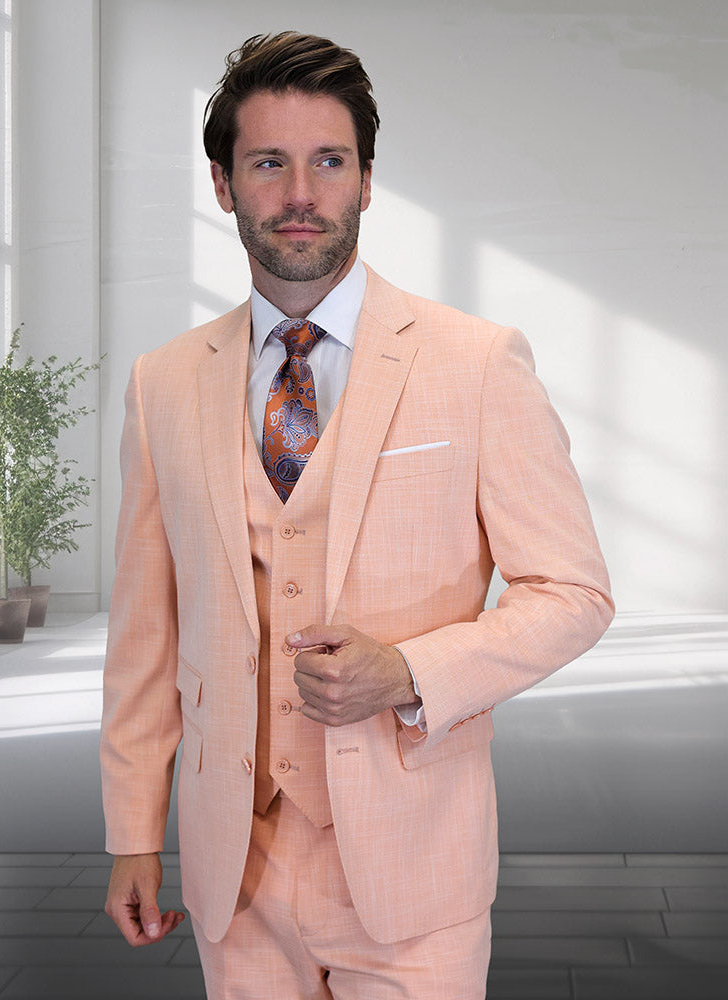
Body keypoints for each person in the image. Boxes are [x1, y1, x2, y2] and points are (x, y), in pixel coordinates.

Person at [101, 31, 613, 999]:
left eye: (329, 161)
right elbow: (144, 636)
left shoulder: (474, 361)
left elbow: (574, 591)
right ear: (222, 184)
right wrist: (131, 831)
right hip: (234, 873)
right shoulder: (160, 383)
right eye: (268, 163)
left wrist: (411, 669)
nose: (301, 193)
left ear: (367, 181)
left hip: (412, 866)